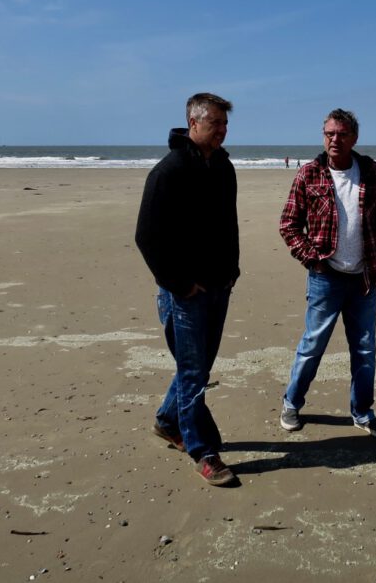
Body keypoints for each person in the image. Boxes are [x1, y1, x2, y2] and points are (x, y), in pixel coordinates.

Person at [135, 92, 240, 486]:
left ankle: (167, 421)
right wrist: (179, 283)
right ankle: (203, 451)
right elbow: (146, 236)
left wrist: (232, 269)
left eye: (225, 124)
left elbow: (228, 225)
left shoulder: (224, 168)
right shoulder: (169, 171)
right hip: (184, 293)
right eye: (215, 124)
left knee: (196, 368)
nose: (223, 131)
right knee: (194, 372)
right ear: (193, 124)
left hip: (219, 285)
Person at [278, 108, 376, 438]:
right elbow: (289, 224)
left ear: (354, 138)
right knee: (313, 345)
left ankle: (362, 412)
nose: (335, 139)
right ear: (323, 136)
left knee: (365, 350)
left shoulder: (371, 172)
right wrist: (312, 259)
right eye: (329, 133)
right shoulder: (309, 174)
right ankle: (291, 403)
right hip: (325, 277)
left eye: (342, 134)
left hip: (363, 279)